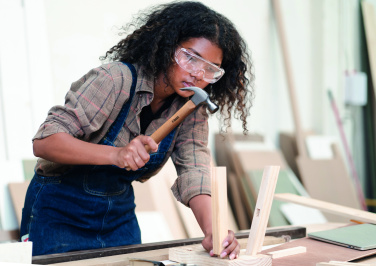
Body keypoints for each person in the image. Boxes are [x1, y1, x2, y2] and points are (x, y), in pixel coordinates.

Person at [20, 0, 254, 259]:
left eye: (210, 69)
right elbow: (45, 140)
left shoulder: (191, 107)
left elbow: (194, 171)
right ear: (168, 46)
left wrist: (214, 230)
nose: (198, 73)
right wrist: (115, 155)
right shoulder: (114, 80)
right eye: (190, 57)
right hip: (59, 212)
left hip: (117, 216)